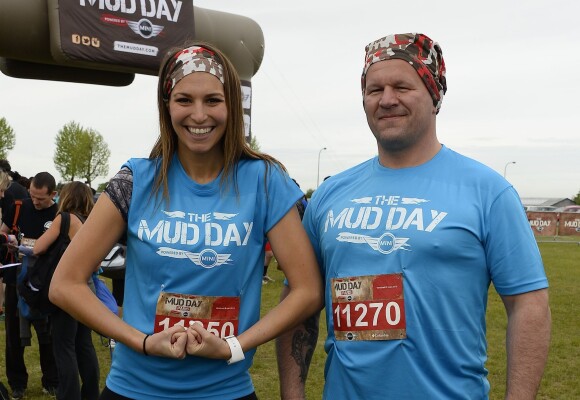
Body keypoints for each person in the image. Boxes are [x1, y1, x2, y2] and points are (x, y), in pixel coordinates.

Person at [276, 33, 551, 399]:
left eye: (402, 87)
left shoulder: (487, 191)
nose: (387, 100)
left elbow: (528, 305)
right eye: (375, 90)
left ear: (435, 95)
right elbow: (299, 298)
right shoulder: (330, 194)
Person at [50, 41, 322, 400]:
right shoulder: (135, 181)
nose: (198, 115)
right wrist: (143, 342)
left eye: (212, 100)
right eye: (184, 100)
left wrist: (233, 346)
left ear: (232, 106)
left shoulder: (266, 182)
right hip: (133, 389)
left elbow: (307, 291)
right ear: (166, 106)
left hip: (226, 390)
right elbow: (65, 285)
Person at [33, 181, 100, 400]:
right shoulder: (89, 222)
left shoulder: (64, 219)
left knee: (64, 347)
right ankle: (90, 393)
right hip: (87, 291)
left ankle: (69, 396)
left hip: (68, 291)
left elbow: (38, 247)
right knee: (84, 345)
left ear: (66, 197)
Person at [0, 171, 59, 399]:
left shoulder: (59, 214)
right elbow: (4, 233)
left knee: (48, 335)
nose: (34, 202)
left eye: (40, 199)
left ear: (53, 195)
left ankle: (51, 381)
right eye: (32, 196)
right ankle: (17, 384)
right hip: (17, 277)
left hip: (45, 282)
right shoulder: (19, 206)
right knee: (13, 336)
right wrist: (10, 241)